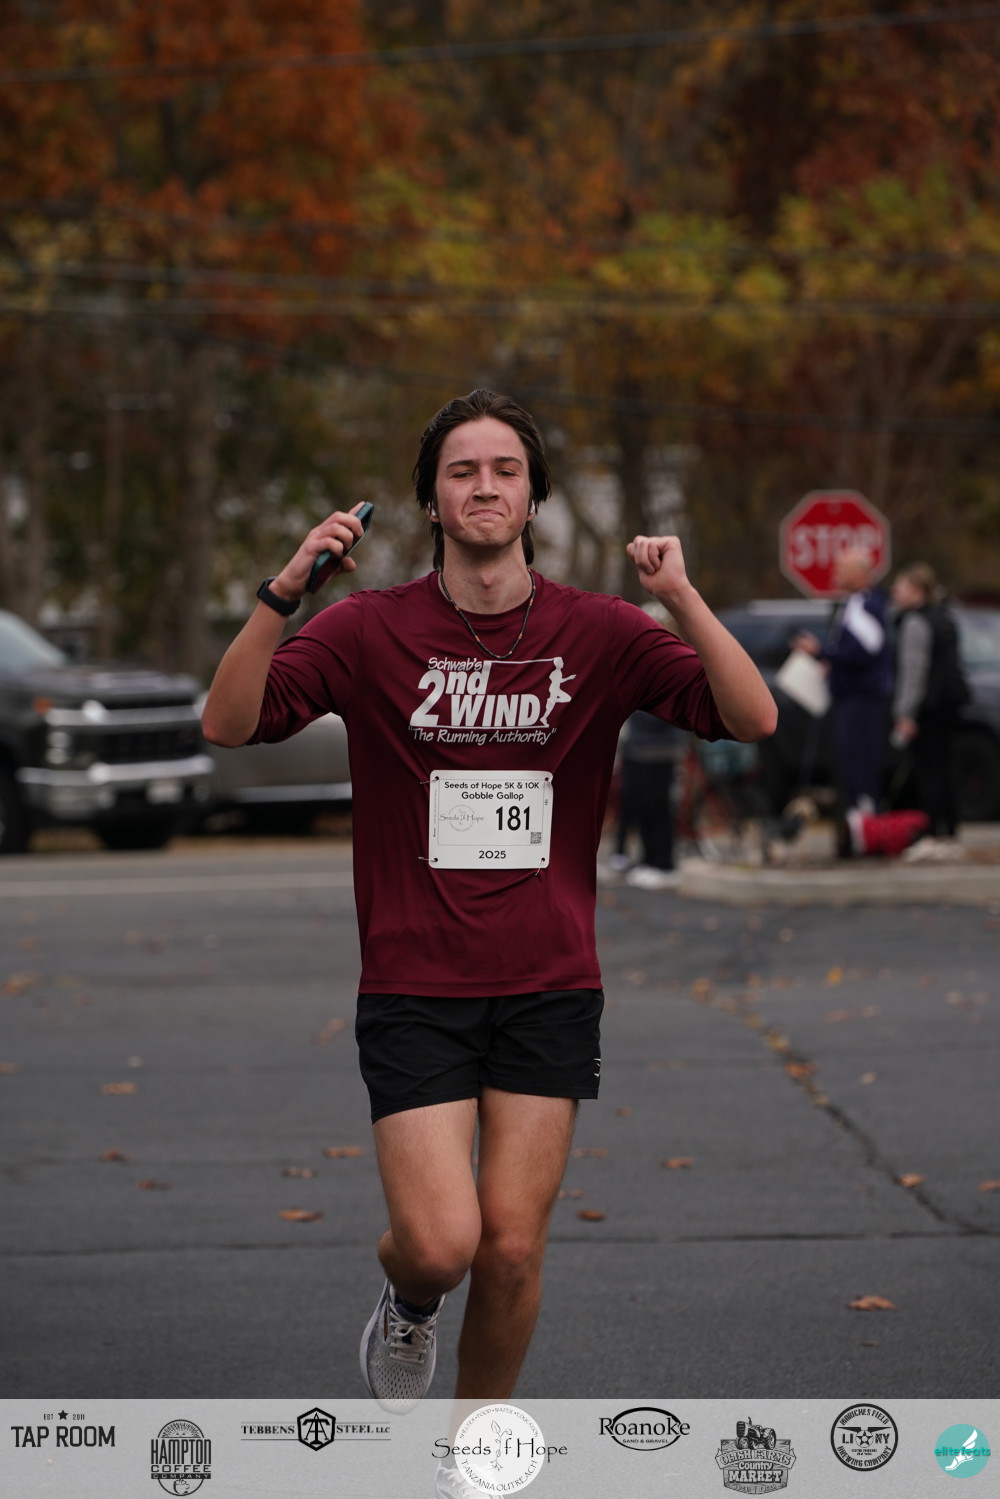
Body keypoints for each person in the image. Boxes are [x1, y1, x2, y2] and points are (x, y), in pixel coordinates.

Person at [201, 389, 776, 1438]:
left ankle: (470, 1453)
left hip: (548, 977)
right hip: (414, 978)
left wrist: (681, 598)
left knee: (510, 1246)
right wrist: (283, 592)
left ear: (533, 497)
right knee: (441, 1244)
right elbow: (230, 722)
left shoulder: (597, 631)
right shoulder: (368, 629)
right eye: (461, 470)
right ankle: (408, 1296)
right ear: (431, 499)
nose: (483, 486)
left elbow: (752, 714)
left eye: (505, 469)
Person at [794, 547, 893, 823]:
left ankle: (865, 824)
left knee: (860, 763)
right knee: (850, 763)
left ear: (860, 574)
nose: (835, 573)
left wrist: (822, 652)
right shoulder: (852, 603)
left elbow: (867, 648)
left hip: (860, 698)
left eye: (842, 568)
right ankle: (856, 823)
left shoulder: (867, 604)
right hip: (850, 696)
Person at [890, 562, 970, 860]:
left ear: (917, 591)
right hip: (950, 705)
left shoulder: (914, 622)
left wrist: (905, 713)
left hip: (927, 707)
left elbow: (914, 671)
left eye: (901, 588)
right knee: (946, 769)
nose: (895, 594)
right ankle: (951, 832)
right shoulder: (945, 617)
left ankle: (934, 833)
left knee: (929, 772)